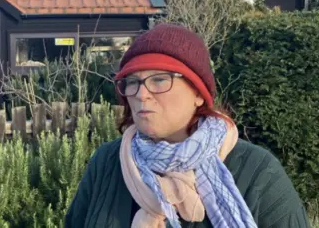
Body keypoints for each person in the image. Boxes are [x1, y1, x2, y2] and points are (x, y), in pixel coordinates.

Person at [65, 23, 310, 228]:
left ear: (199, 93)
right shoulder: (107, 163)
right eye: (132, 82)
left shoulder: (257, 172)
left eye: (160, 79)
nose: (141, 94)